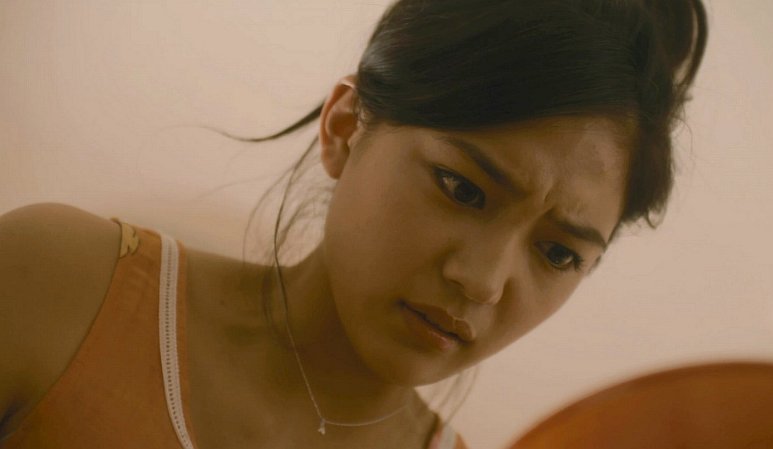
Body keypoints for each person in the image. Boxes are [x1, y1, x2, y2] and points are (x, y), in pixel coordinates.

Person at [0, 0, 707, 448]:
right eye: (463, 189)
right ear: (345, 126)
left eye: (556, 253)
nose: (482, 281)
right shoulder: (62, 286)